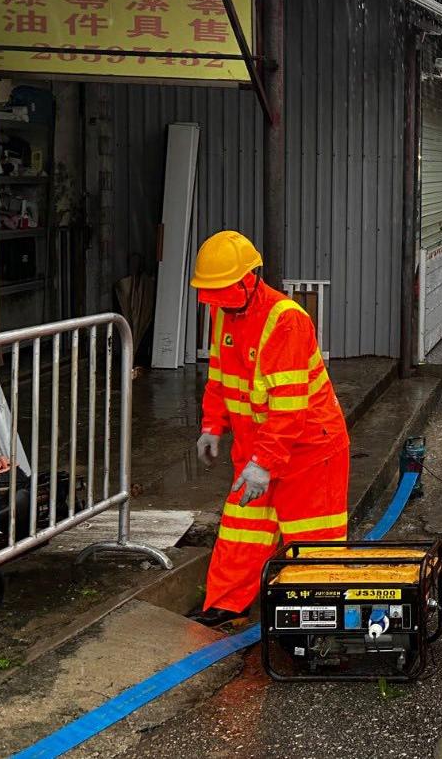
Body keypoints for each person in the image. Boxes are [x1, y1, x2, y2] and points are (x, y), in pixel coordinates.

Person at [188, 231, 349, 627]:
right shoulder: (222, 311)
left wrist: (264, 462)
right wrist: (212, 425)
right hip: (257, 446)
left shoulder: (286, 319)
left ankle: (318, 623)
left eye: (222, 290)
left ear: (250, 278)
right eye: (210, 292)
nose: (214, 299)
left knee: (312, 542)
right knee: (242, 529)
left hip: (310, 451)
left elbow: (290, 408)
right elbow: (219, 376)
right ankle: (226, 604)